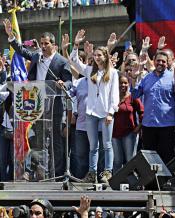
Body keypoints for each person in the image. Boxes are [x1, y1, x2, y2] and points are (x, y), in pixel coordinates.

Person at [3, 18, 72, 177]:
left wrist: (63, 84)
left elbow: (69, 82)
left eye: (46, 43)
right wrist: (11, 36)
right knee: (38, 141)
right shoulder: (36, 57)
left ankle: (58, 173)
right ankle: (40, 172)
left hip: (53, 106)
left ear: (54, 45)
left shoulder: (61, 62)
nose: (43, 46)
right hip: (36, 105)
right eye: (41, 43)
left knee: (54, 141)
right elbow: (21, 51)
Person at [70, 29, 119, 183]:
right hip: (91, 114)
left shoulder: (112, 73)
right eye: (95, 55)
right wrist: (76, 44)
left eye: (99, 55)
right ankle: (92, 173)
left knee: (107, 144)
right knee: (93, 146)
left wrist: (111, 112)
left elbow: (114, 95)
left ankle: (107, 172)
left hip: (105, 114)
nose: (96, 58)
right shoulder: (89, 71)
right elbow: (74, 61)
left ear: (105, 57)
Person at [132, 51, 175, 163]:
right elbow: (135, 94)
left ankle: (167, 181)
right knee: (150, 160)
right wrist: (133, 78)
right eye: (158, 60)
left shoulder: (173, 78)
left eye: (163, 61)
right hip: (148, 125)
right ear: (154, 61)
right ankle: (152, 181)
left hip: (167, 126)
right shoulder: (146, 78)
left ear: (167, 63)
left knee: (167, 157)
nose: (160, 63)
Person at [112, 75, 144, 173]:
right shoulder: (113, 97)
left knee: (130, 160)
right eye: (121, 83)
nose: (123, 85)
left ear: (129, 84)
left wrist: (139, 127)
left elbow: (142, 112)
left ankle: (132, 183)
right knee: (117, 161)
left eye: (125, 83)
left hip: (130, 133)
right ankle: (116, 184)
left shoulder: (133, 97)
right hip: (114, 133)